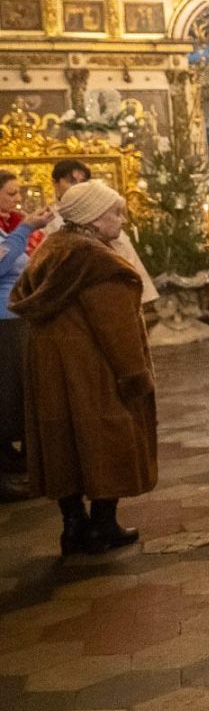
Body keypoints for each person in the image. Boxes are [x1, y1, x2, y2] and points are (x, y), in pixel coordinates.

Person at [9, 181, 156, 556]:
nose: (121, 220)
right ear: (92, 219)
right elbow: (116, 327)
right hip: (93, 369)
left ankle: (73, 524)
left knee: (65, 444)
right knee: (106, 438)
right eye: (115, 213)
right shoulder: (98, 264)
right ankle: (103, 525)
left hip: (51, 369)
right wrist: (134, 376)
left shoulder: (51, 249)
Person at [0, 171, 51, 502]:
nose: (17, 199)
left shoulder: (8, 228)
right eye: (10, 193)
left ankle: (12, 461)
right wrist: (25, 229)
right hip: (4, 321)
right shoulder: (12, 231)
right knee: (7, 395)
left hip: (15, 316)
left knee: (16, 392)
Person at [44, 159, 158, 305]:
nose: (77, 186)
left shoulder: (104, 215)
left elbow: (127, 257)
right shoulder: (48, 220)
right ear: (55, 183)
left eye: (82, 182)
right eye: (71, 181)